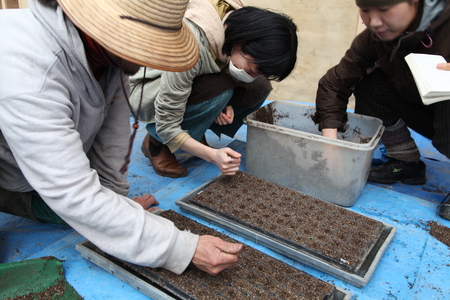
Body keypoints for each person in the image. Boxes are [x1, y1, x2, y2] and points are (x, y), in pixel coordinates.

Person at [0, 0, 243, 276]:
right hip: (11, 172)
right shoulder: (32, 79)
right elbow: (74, 195)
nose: (148, 58)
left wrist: (118, 205)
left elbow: (111, 142)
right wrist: (181, 247)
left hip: (37, 158)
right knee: (73, 215)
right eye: (145, 43)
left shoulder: (105, 58)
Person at [129, 0, 298, 178]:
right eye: (251, 69)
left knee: (258, 87)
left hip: (190, 79)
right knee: (220, 93)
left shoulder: (236, 22)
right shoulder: (190, 45)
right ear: (242, 42)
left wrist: (227, 104)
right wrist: (211, 156)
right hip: (148, 90)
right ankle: (155, 143)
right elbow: (167, 124)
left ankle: (195, 132)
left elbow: (223, 64)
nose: (251, 76)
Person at [313, 0, 450, 220]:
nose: (374, 22)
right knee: (369, 84)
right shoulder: (376, 37)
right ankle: (406, 162)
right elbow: (335, 83)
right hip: (427, 113)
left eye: (384, 10)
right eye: (366, 11)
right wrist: (331, 146)